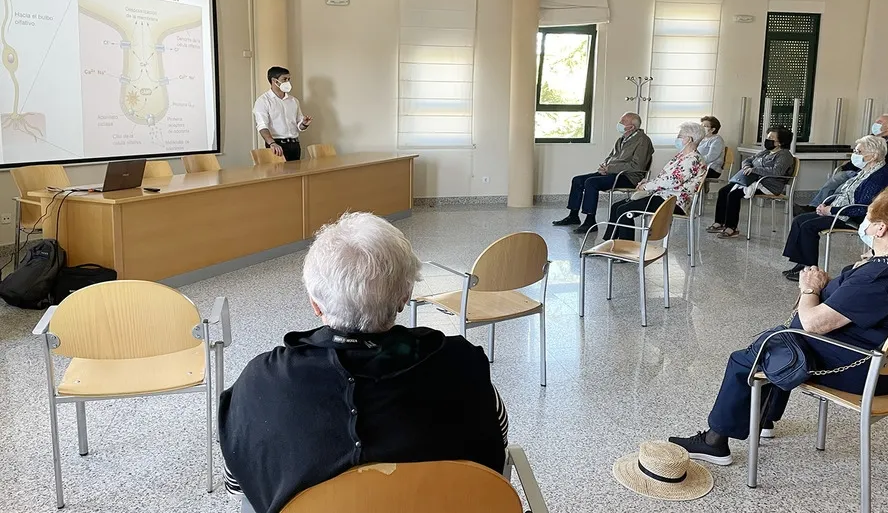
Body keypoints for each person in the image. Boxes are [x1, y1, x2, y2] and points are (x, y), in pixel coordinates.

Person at [219, 213, 508, 513]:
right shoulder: (464, 366)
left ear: (315, 303)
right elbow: (494, 450)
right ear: (404, 296)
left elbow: (236, 483)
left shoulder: (259, 383)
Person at [669, 186, 888, 466]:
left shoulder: (881, 277)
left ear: (881, 229)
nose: (865, 220)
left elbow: (811, 322)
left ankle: (714, 443)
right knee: (780, 341)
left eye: (869, 215)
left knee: (755, 354)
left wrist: (809, 288)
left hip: (864, 371)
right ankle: (763, 419)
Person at [781, 135, 888, 280]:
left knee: (808, 226)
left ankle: (810, 269)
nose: (855, 155)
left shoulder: (881, 175)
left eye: (859, 152)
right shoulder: (868, 170)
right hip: (844, 209)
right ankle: (802, 265)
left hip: (855, 216)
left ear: (873, 156)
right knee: (800, 220)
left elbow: (864, 208)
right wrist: (828, 205)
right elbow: (847, 193)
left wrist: (831, 210)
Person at [553, 112, 654, 234]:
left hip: (628, 176)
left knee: (591, 182)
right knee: (578, 180)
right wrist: (605, 166)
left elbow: (637, 166)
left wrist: (610, 168)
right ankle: (573, 215)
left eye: (623, 122)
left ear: (632, 127)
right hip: (612, 173)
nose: (619, 124)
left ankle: (590, 221)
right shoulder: (622, 139)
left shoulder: (643, 141)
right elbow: (611, 156)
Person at [603, 122, 707, 241]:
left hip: (674, 202)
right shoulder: (682, 156)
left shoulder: (693, 159)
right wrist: (646, 183)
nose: (677, 138)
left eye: (680, 136)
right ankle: (608, 242)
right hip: (664, 196)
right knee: (617, 206)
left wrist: (647, 186)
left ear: (688, 139)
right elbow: (664, 178)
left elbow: (672, 181)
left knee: (624, 210)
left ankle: (625, 248)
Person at [804, 114, 888, 211]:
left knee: (842, 188)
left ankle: (831, 209)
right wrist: (848, 165)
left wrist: (872, 166)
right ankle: (815, 206)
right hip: (859, 170)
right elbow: (860, 155)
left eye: (879, 122)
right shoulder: (871, 138)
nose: (875, 125)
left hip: (871, 173)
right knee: (835, 179)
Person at [706, 126, 794, 239]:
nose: (768, 140)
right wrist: (747, 166)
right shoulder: (766, 152)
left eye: (772, 138)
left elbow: (777, 171)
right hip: (754, 180)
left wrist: (754, 169)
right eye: (768, 137)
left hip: (768, 185)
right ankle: (719, 222)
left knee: (733, 195)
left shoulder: (784, 155)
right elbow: (748, 160)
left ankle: (731, 228)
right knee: (724, 191)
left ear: (780, 142)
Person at [252, 65, 312, 161]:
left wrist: (304, 124)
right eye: (284, 79)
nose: (288, 82)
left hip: (294, 145)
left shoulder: (293, 101)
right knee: (279, 174)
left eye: (289, 79)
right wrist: (272, 143)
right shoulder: (263, 101)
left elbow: (299, 125)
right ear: (275, 81)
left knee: (296, 174)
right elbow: (262, 126)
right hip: (276, 145)